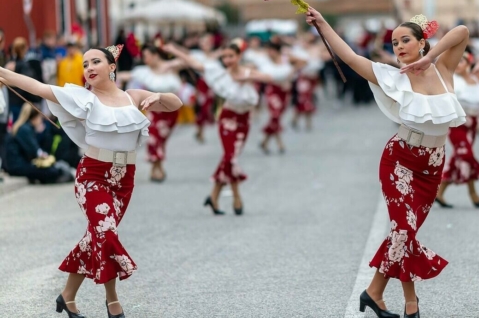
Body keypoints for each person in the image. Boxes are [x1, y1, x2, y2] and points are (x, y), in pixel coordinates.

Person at [306, 7, 468, 318]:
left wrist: (430, 58)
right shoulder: (391, 76)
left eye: (405, 40)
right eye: (394, 43)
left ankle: (380, 295)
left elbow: (462, 33)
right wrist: (324, 23)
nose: (399, 47)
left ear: (422, 42)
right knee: (403, 230)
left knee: (403, 233)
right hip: (400, 160)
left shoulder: (443, 68)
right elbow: (351, 58)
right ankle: (402, 301)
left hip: (432, 165)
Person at [0, 44, 182, 318]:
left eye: (95, 61)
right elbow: (37, 87)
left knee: (95, 237)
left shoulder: (132, 97)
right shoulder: (82, 98)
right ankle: (113, 302)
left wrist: (157, 96)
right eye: (85, 64)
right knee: (106, 233)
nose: (89, 68)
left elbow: (175, 103)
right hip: (92, 176)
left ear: (112, 67)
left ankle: (67, 296)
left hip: (124, 179)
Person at [163, 39, 276, 216]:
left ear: (238, 56)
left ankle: (213, 195)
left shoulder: (248, 71)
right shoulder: (218, 73)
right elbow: (194, 62)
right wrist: (174, 50)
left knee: (229, 158)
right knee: (231, 158)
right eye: (224, 57)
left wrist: (245, 77)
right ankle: (237, 197)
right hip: (228, 118)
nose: (228, 60)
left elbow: (269, 77)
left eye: (231, 56)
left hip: (244, 120)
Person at [436, 52, 479, 208]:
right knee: (466, 154)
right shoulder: (451, 80)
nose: (458, 64)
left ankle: (440, 192)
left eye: (462, 61)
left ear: (469, 64)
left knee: (460, 158)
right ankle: (473, 193)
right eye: (457, 61)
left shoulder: (476, 78)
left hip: (473, 124)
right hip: (457, 124)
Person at [120, 44, 183, 182]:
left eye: (147, 56)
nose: (145, 59)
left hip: (171, 110)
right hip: (154, 109)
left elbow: (188, 60)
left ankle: (158, 167)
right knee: (154, 137)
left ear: (155, 55)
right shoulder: (143, 71)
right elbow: (126, 75)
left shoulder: (171, 66)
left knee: (161, 140)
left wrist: (174, 49)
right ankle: (156, 169)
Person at [4, 103, 74, 184]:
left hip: (16, 164)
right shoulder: (24, 129)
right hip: (17, 166)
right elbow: (34, 151)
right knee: (52, 171)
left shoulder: (24, 127)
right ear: (35, 118)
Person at [259, 42, 295, 154]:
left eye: (271, 50)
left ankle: (265, 141)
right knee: (275, 114)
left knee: (278, 117)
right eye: (268, 51)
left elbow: (302, 62)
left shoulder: (286, 59)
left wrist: (288, 79)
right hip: (272, 90)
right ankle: (280, 144)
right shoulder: (264, 62)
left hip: (284, 92)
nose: (269, 53)